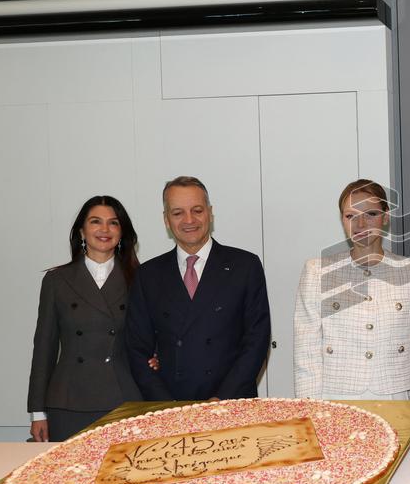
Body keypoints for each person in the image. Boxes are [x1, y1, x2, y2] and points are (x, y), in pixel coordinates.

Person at [294, 179, 410, 433]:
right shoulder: (318, 271)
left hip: (395, 400)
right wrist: (310, 419)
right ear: (342, 220)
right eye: (351, 216)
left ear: (385, 217)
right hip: (336, 401)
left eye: (370, 214)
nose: (360, 225)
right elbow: (307, 354)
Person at [125, 176, 271, 401]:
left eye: (197, 210)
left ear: (210, 213)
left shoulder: (245, 266)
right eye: (178, 213)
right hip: (171, 408)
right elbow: (137, 350)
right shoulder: (148, 275)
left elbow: (257, 341)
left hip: (232, 403)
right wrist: (167, 405)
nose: (189, 220)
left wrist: (222, 399)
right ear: (166, 220)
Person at [27, 196, 143, 441]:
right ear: (82, 230)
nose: (104, 230)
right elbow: (44, 348)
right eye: (95, 222)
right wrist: (37, 412)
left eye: (113, 223)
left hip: (123, 400)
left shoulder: (140, 278)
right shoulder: (57, 281)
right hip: (69, 400)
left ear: (122, 232)